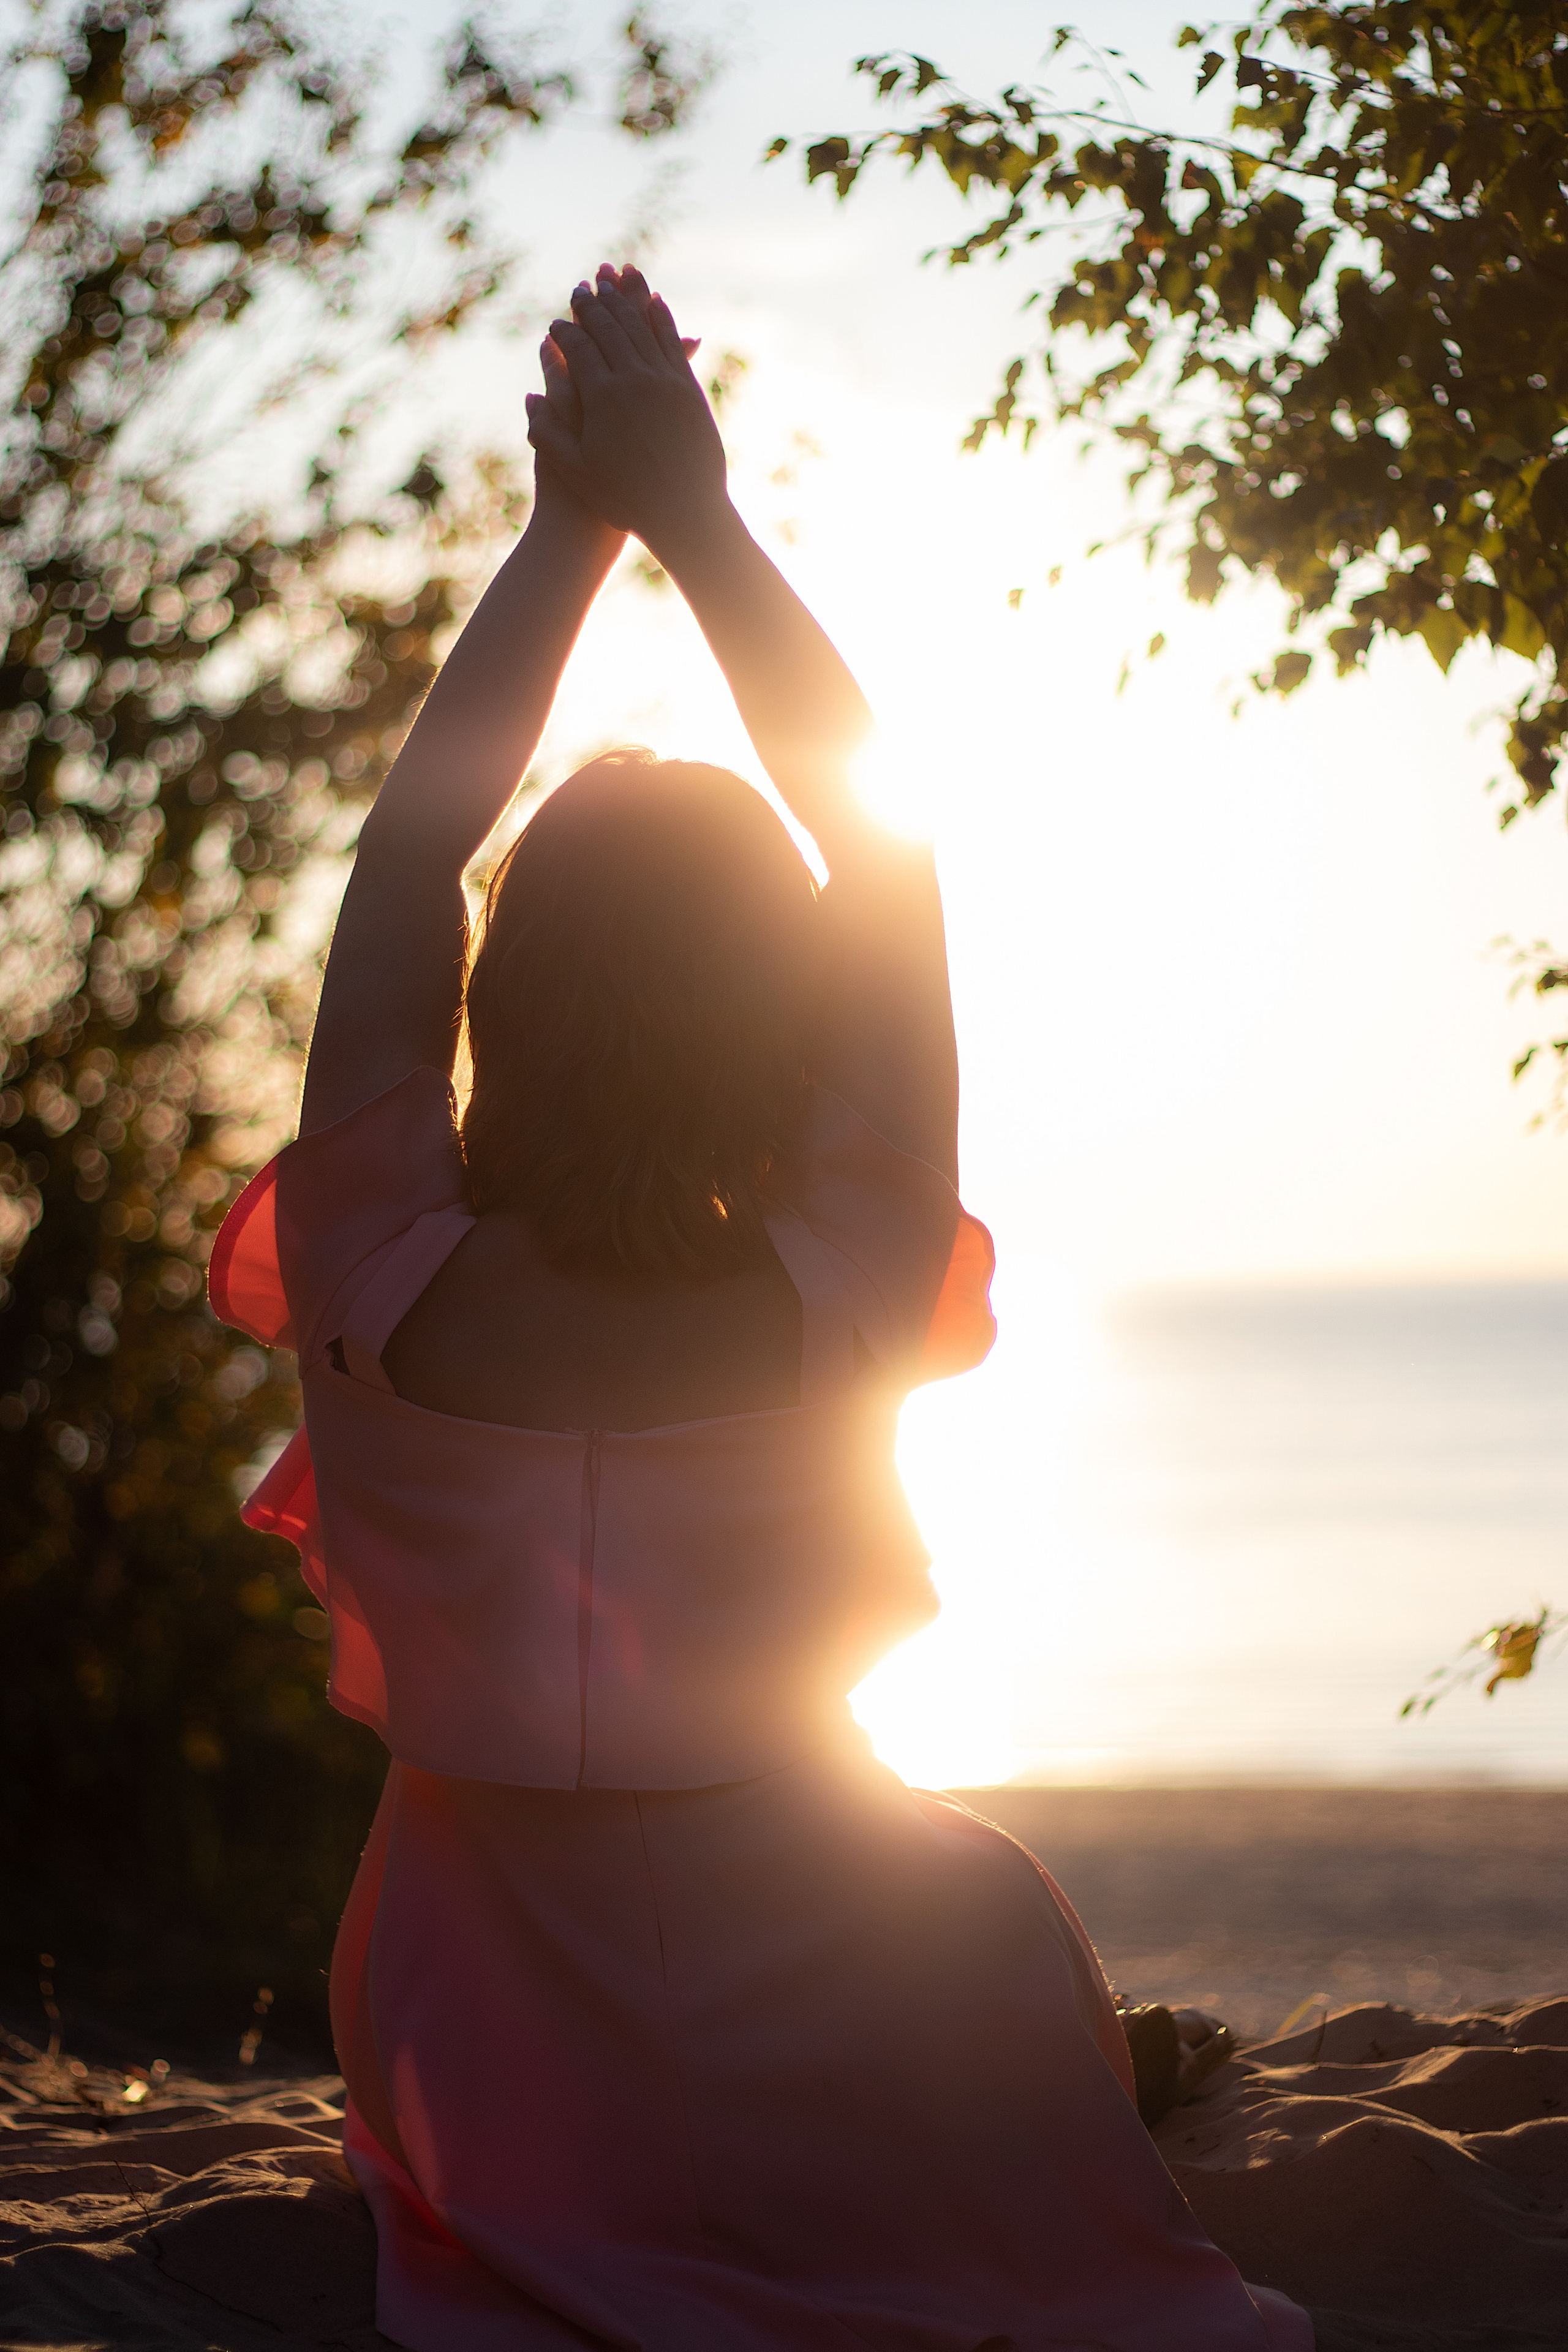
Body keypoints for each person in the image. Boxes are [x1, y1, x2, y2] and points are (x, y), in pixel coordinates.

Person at [211, 265, 1310, 2352]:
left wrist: (568, 539)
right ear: (775, 1018)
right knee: (968, 1896)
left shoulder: (373, 1278)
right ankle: (1067, 2087)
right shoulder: (847, 1281)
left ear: (503, 1003)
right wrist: (701, 526)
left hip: (485, 2042)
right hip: (882, 2000)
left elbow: (405, 863)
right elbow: (885, 879)